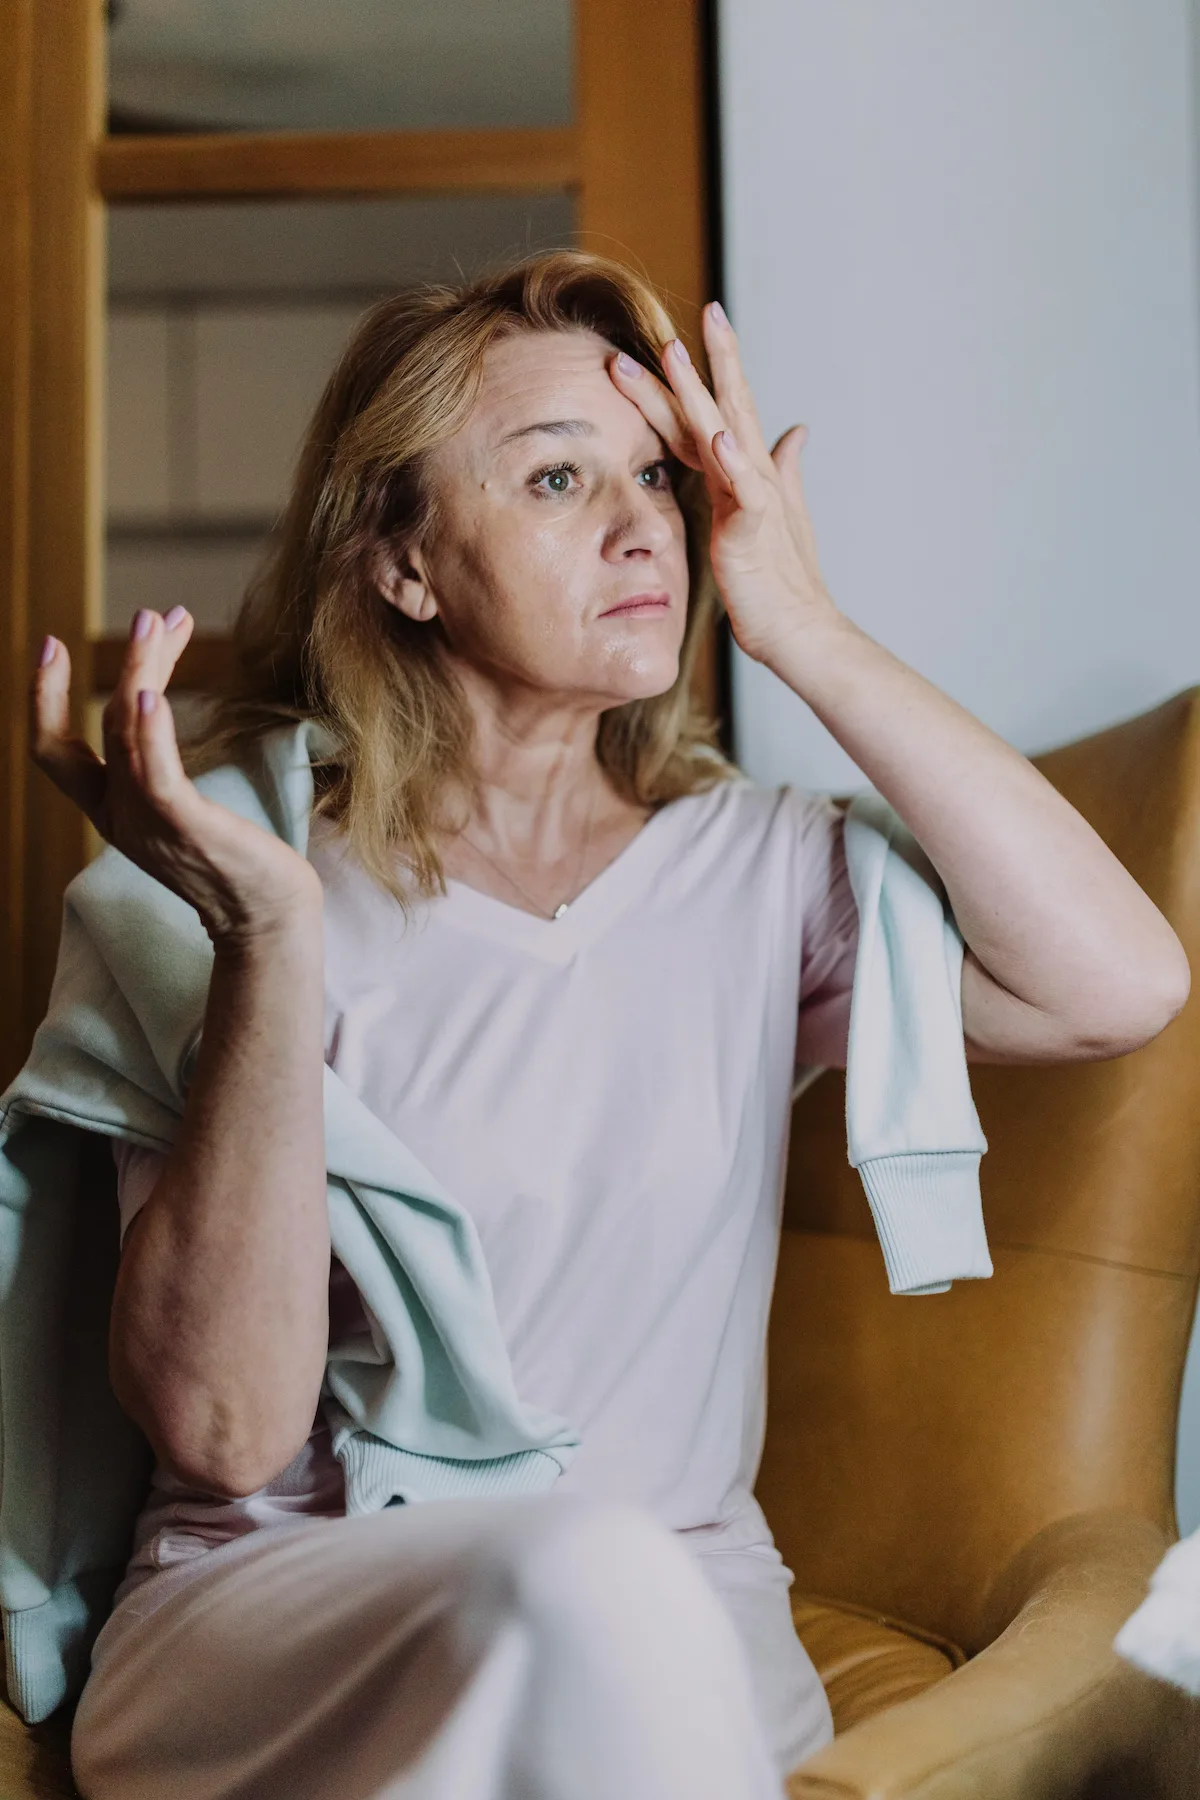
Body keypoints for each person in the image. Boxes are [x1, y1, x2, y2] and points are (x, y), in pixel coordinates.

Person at [29, 251, 1188, 1799]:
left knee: (614, 1588)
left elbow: (1125, 985)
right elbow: (226, 1434)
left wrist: (806, 631)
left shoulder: (763, 872)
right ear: (403, 561)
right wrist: (267, 943)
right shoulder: (229, 877)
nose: (645, 525)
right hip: (281, 1621)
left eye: (658, 474)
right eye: (558, 478)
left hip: (683, 1614)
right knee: (587, 1577)